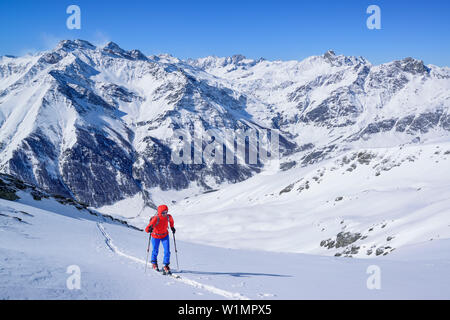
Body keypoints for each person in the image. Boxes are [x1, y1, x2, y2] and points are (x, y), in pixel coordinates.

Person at [145, 204, 175, 274]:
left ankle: (166, 265)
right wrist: (149, 229)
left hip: (165, 236)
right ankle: (154, 263)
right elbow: (146, 229)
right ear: (159, 212)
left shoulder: (168, 217)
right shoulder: (156, 218)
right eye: (163, 212)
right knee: (155, 250)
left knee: (167, 251)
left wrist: (172, 227)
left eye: (166, 212)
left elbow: (171, 221)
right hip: (155, 236)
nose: (165, 214)